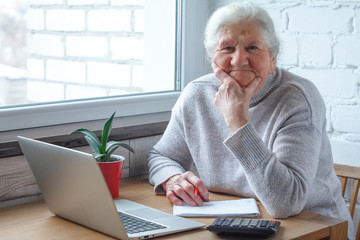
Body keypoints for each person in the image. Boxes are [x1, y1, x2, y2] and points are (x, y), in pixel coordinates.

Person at [147, 1, 355, 239]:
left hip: (315, 227)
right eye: (227, 48)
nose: (238, 60)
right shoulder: (196, 95)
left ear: (273, 58)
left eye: (253, 47)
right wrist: (173, 178)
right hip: (233, 226)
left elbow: (286, 203)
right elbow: (161, 156)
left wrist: (238, 122)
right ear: (212, 57)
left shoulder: (298, 99)